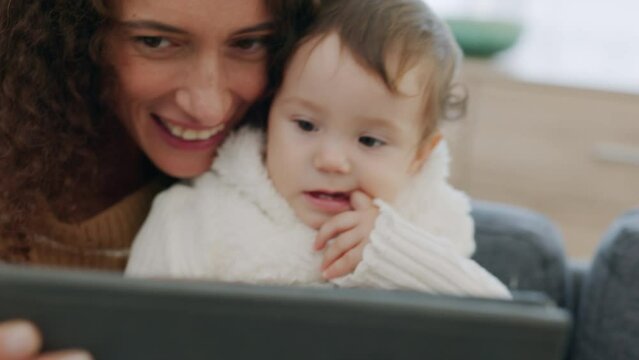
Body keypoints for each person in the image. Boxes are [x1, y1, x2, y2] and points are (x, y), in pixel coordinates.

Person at [126, 0, 511, 299]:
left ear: (419, 156)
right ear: (270, 112)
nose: (330, 160)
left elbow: (507, 332)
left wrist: (394, 256)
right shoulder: (195, 219)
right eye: (306, 125)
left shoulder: (423, 225)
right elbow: (140, 333)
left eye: (369, 141)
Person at [0, 0, 316, 358]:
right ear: (76, 34)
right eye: (155, 42)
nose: (208, 106)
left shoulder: (337, 208)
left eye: (248, 44)